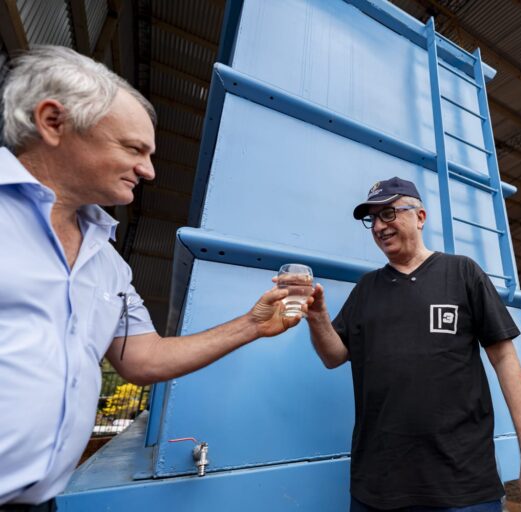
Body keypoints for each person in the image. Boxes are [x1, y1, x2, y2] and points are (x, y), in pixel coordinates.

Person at [0, 46, 308, 510]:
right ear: (53, 122)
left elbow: (142, 359)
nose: (148, 170)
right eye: (133, 148)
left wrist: (251, 325)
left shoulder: (106, 260)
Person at [306, 177, 521, 512]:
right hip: (378, 485)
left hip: (462, 483)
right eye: (373, 219)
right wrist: (317, 317)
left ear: (420, 216)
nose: (380, 226)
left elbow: (505, 360)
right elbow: (334, 356)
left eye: (389, 214)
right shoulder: (366, 289)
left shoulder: (463, 273)